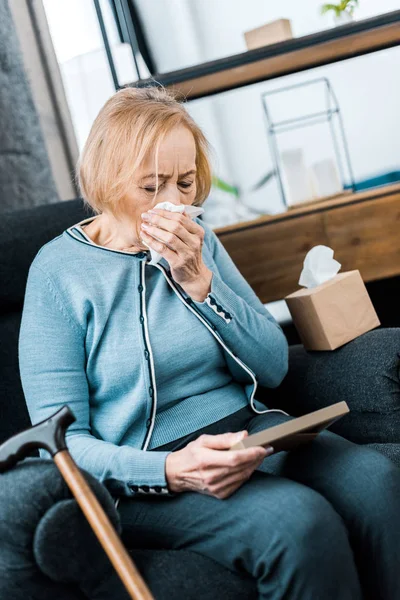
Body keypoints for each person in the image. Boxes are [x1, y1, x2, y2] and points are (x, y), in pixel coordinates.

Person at [19, 86, 400, 600]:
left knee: (375, 483)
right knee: (297, 525)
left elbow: (272, 367)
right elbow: (59, 443)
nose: (175, 204)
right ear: (108, 181)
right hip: (150, 470)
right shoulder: (58, 273)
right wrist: (171, 469)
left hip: (249, 432)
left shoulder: (202, 244)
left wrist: (202, 286)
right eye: (152, 186)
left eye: (185, 182)